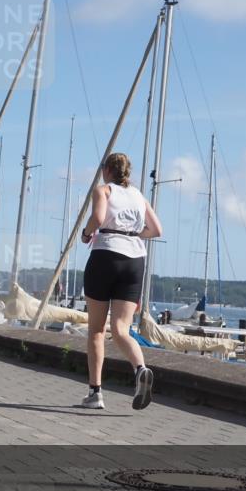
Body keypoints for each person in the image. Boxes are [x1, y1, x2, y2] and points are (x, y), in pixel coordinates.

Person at [80, 153, 163, 411]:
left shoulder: (103, 190)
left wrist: (86, 234)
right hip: (135, 260)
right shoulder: (139, 196)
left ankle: (95, 393)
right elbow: (156, 230)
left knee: (96, 329)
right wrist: (133, 232)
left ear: (107, 170)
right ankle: (140, 369)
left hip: (105, 255)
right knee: (120, 329)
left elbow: (98, 218)